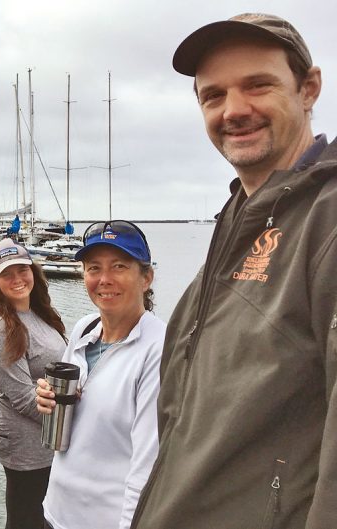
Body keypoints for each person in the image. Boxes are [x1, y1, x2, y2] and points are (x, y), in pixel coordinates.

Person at [130, 14, 337, 529]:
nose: (234, 110)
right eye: (213, 95)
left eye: (258, 85)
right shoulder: (240, 221)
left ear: (308, 88)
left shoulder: (325, 220)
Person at [36, 221, 165, 529]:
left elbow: (146, 465)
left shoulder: (159, 348)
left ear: (146, 277)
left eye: (119, 266)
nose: (104, 279)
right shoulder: (85, 328)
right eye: (94, 268)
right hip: (56, 510)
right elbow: (73, 418)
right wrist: (45, 399)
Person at [0, 238, 67, 529]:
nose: (17, 279)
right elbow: (24, 399)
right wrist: (76, 422)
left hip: (52, 441)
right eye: (7, 273)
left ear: (33, 271)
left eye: (22, 269)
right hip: (27, 449)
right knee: (25, 520)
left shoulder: (41, 314)